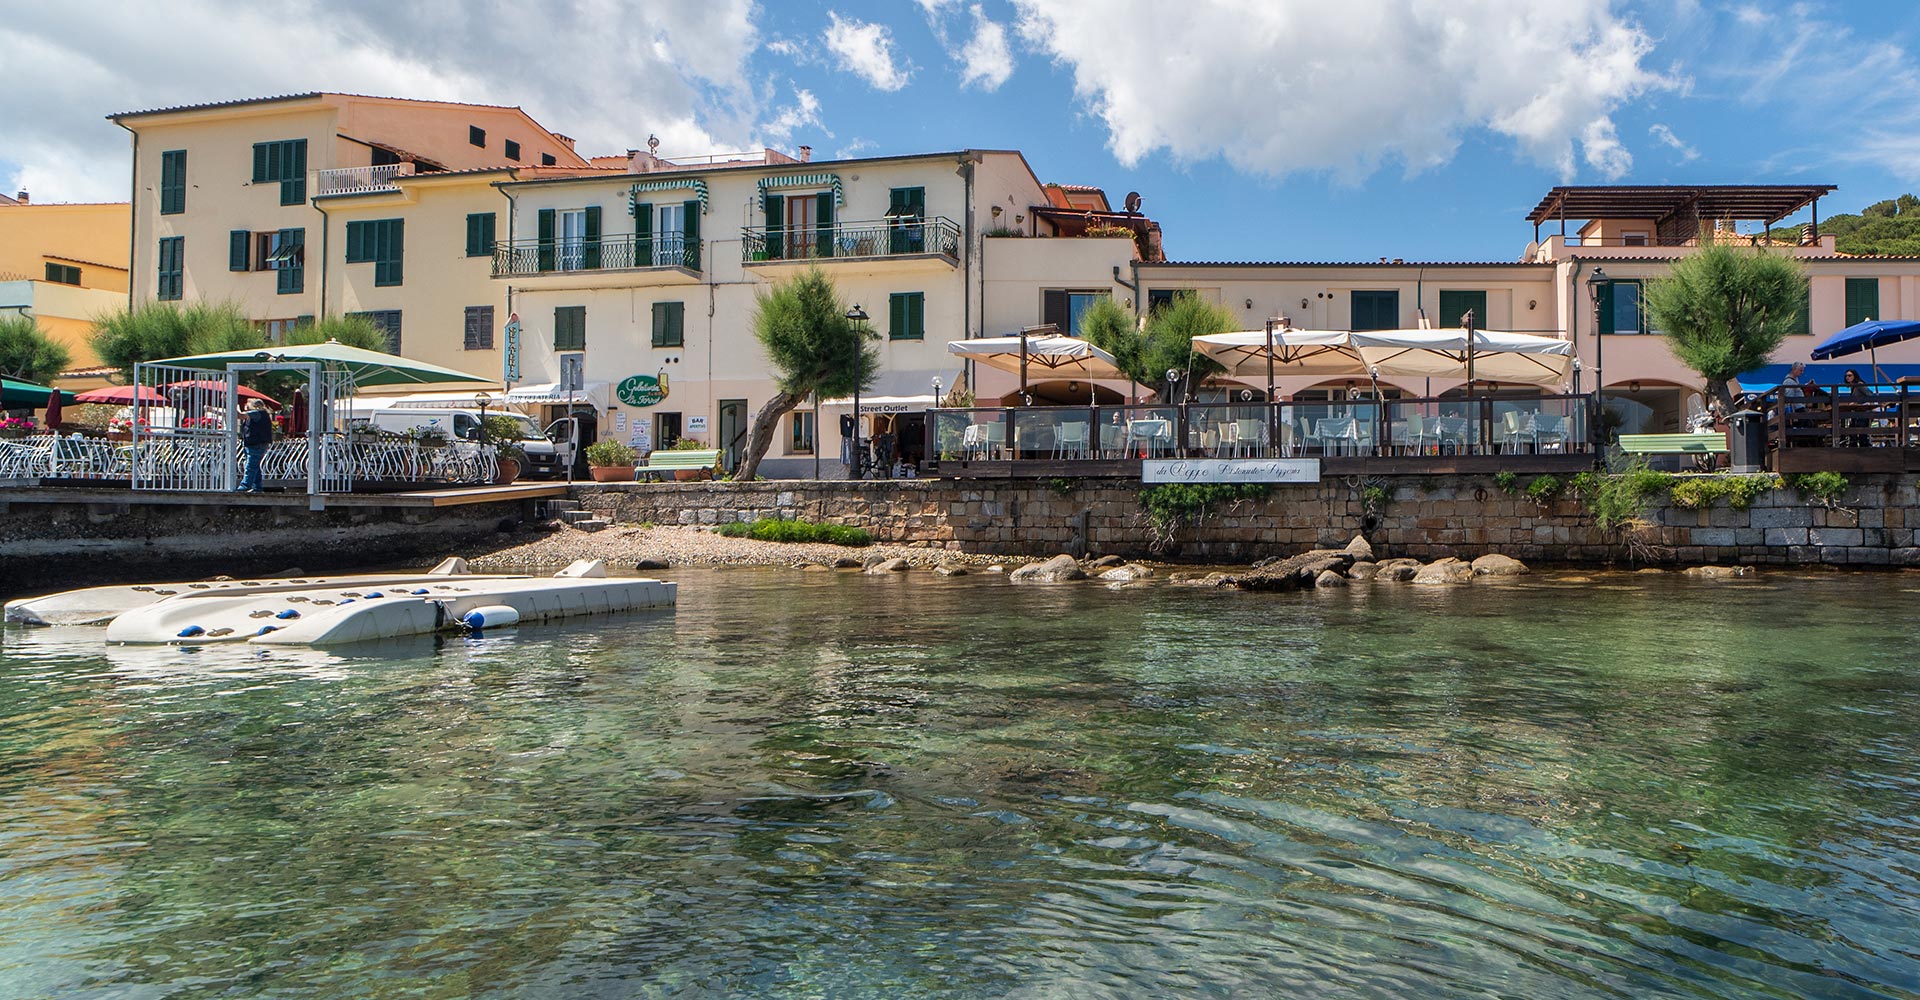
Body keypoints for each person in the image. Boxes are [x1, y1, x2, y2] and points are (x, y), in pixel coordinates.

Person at [237, 398, 273, 492]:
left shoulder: (256, 413)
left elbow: (240, 415)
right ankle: (257, 487)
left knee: (250, 466)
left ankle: (245, 485)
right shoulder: (263, 414)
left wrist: (231, 403)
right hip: (254, 443)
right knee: (255, 466)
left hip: (256, 443)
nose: (246, 408)